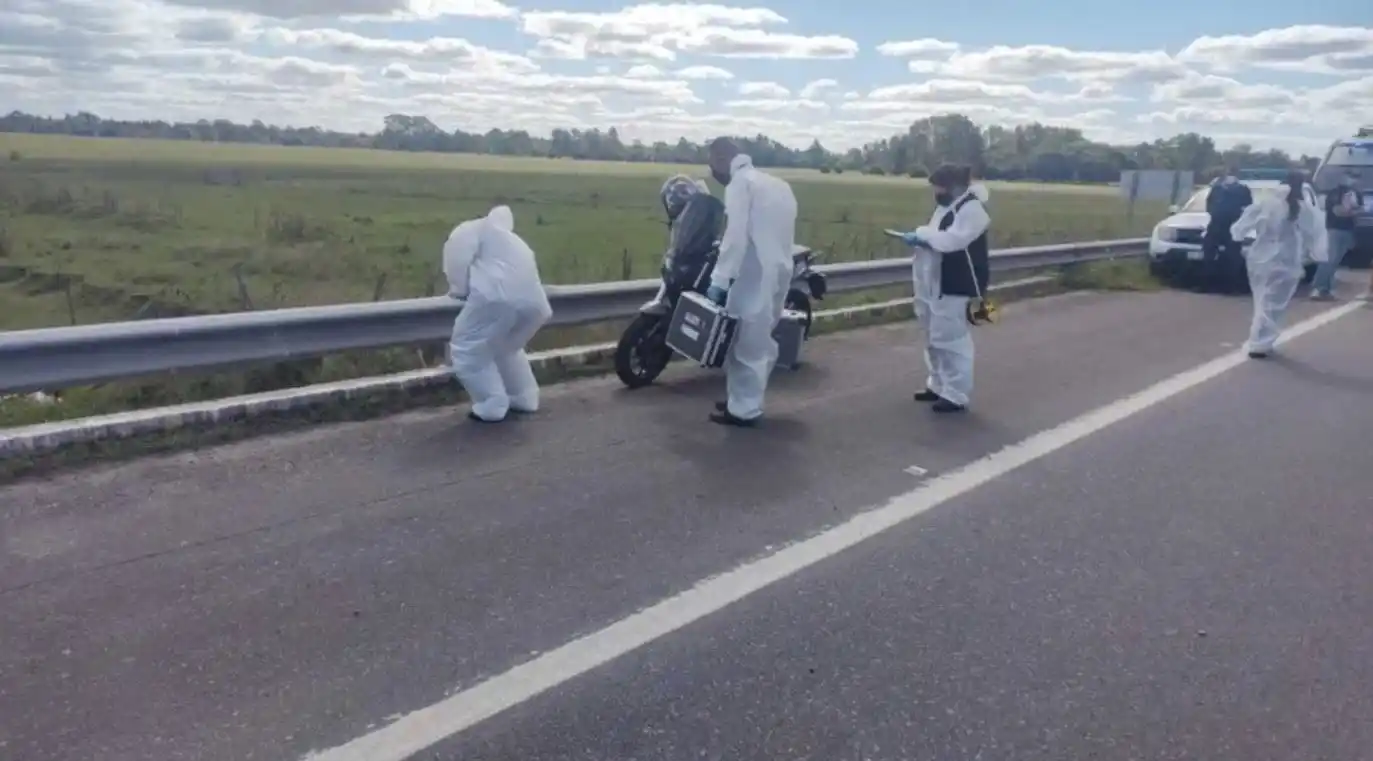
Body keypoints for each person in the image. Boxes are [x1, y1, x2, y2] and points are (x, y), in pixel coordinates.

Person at [702, 137, 798, 428]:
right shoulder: (779, 185)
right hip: (780, 270)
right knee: (759, 340)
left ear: (720, 159)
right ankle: (743, 398)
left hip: (753, 273)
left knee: (745, 344)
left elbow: (735, 236)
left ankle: (744, 410)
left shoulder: (740, 185)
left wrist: (719, 279)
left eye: (711, 163)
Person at [443, 205, 553, 423]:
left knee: (468, 350)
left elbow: (457, 259)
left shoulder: (468, 230)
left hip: (496, 297)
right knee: (506, 349)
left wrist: (459, 289)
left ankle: (491, 405)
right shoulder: (514, 240)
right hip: (536, 305)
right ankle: (524, 397)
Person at [899, 164, 991, 413]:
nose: (935, 191)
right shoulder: (947, 207)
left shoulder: (973, 210)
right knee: (933, 337)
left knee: (951, 340)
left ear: (954, 186)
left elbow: (953, 240)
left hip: (955, 284)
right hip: (934, 282)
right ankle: (938, 385)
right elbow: (936, 237)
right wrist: (923, 237)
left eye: (939, 186)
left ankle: (956, 394)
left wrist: (922, 234)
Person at [1228, 171, 1326, 359]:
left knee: (1262, 300)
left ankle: (1259, 340)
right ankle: (1261, 342)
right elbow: (1314, 233)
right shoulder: (1302, 208)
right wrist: (1314, 254)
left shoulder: (1265, 203)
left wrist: (1239, 239)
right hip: (1286, 260)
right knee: (1274, 303)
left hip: (1260, 258)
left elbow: (1239, 228)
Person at [1310, 172, 1364, 300]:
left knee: (1336, 261)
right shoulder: (1335, 193)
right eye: (1351, 177)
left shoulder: (1356, 193)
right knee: (1330, 259)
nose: (1353, 181)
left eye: (1355, 178)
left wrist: (1351, 211)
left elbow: (1360, 209)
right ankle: (1318, 287)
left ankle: (1327, 289)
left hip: (1348, 230)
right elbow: (1338, 211)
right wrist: (1352, 211)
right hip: (1335, 229)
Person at [1203, 167, 1254, 293]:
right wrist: (1215, 214)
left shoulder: (1242, 190)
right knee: (1209, 253)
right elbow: (1209, 204)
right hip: (1216, 224)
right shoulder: (1217, 188)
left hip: (1233, 225)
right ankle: (1208, 284)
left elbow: (1248, 206)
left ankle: (1230, 286)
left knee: (1232, 256)